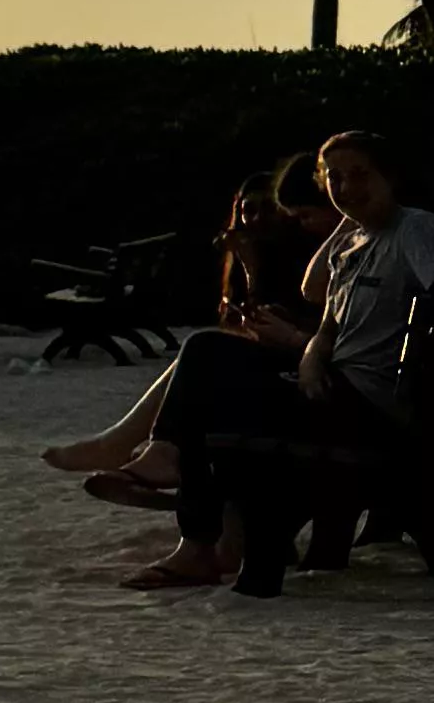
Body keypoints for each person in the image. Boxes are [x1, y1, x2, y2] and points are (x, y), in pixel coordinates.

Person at [124, 127, 434, 597]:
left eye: (360, 175)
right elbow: (317, 298)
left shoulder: (414, 228)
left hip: (371, 403)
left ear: (390, 177)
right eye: (335, 178)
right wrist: (310, 357)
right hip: (331, 385)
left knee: (216, 388)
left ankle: (193, 528)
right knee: (207, 349)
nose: (347, 187)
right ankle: (181, 490)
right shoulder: (355, 241)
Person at [42, 163, 322, 492]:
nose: (259, 218)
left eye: (269, 210)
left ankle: (135, 447)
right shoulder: (257, 251)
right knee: (199, 355)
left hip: (300, 364)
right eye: (250, 210)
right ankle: (130, 445)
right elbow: (240, 325)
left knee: (202, 353)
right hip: (278, 353)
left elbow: (293, 318)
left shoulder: (305, 256)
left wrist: (252, 270)